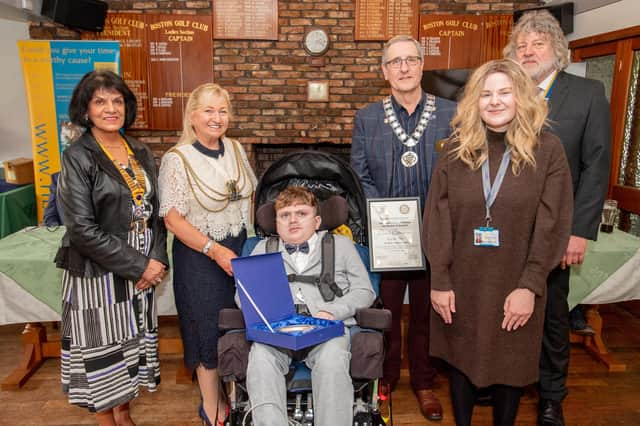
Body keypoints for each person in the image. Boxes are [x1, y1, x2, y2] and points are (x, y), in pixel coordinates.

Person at [424, 58, 573, 425]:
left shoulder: (548, 150)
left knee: (510, 365)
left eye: (504, 92)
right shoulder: (456, 150)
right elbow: (437, 218)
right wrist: (440, 280)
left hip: (516, 281)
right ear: (474, 101)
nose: (495, 101)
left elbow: (553, 223)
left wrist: (531, 285)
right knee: (461, 360)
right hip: (462, 281)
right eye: (486, 93)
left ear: (521, 97)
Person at [504, 10, 611, 425]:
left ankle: (551, 396)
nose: (528, 51)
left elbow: (596, 165)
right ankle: (506, 381)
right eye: (522, 46)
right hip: (505, 231)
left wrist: (579, 232)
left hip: (556, 232)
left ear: (558, 50)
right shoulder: (504, 92)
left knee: (551, 317)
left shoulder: (587, 94)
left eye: (538, 44)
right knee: (504, 308)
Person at [350, 34, 456, 420]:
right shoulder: (367, 117)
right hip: (388, 235)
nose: (404, 67)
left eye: (410, 59)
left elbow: (461, 173)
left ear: (422, 65)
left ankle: (425, 381)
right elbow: (360, 175)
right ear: (384, 71)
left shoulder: (451, 113)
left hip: (436, 233)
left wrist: (435, 217)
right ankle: (387, 378)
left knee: (430, 311)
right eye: (395, 62)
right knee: (387, 311)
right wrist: (385, 216)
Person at [54, 70, 169, 426]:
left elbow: (156, 214)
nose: (110, 108)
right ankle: (109, 421)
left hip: (142, 273)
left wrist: (158, 259)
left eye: (117, 101)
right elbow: (81, 229)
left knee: (131, 345)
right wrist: (139, 266)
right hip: (99, 273)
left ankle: (125, 416)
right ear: (85, 110)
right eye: (100, 101)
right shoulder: (78, 155)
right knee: (104, 354)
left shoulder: (141, 150)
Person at [158, 83, 257, 425]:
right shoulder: (177, 159)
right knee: (207, 331)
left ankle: (239, 395)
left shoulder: (236, 148)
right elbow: (172, 218)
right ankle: (213, 406)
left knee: (241, 327)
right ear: (193, 116)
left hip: (239, 251)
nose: (217, 118)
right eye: (209, 111)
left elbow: (248, 199)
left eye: (223, 111)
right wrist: (215, 251)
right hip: (200, 257)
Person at [245, 186, 376, 425]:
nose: (292, 220)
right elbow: (243, 293)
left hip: (326, 327)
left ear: (317, 221)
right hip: (278, 331)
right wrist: (267, 312)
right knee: (260, 358)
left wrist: (333, 312)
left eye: (301, 213)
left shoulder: (342, 246)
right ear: (276, 223)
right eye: (285, 215)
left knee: (332, 360)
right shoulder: (262, 248)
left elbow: (364, 291)